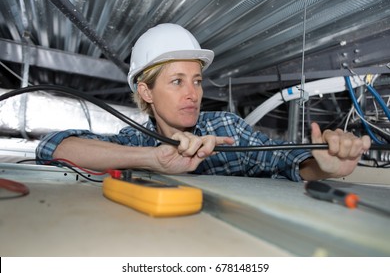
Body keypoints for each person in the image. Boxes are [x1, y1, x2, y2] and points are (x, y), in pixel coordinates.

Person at [36, 23, 371, 182]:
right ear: (146, 92)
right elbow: (53, 147)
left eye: (196, 81)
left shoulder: (225, 127)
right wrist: (153, 158)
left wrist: (319, 167)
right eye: (177, 81)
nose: (192, 93)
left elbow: (284, 160)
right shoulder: (135, 139)